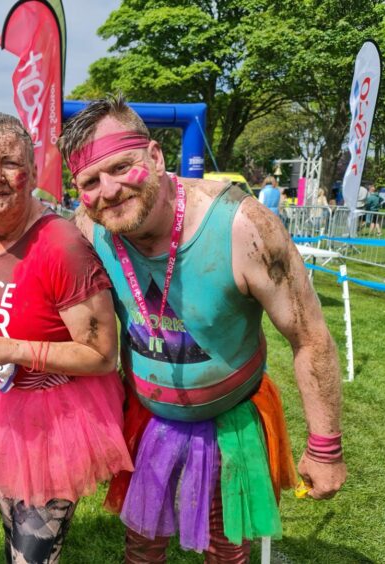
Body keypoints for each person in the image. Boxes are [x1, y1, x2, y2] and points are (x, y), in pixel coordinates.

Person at [59, 96, 346, 563]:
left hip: (232, 420)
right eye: (90, 181)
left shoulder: (244, 226)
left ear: (155, 156)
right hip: (148, 417)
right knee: (141, 545)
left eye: (121, 167)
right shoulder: (88, 232)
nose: (107, 191)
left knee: (226, 547)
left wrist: (326, 447)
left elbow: (310, 336)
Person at [0, 113, 132, 563]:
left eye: (9, 162)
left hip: (59, 418)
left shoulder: (61, 245)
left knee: (34, 556)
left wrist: (7, 348)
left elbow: (103, 354)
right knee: (16, 536)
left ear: (31, 172)